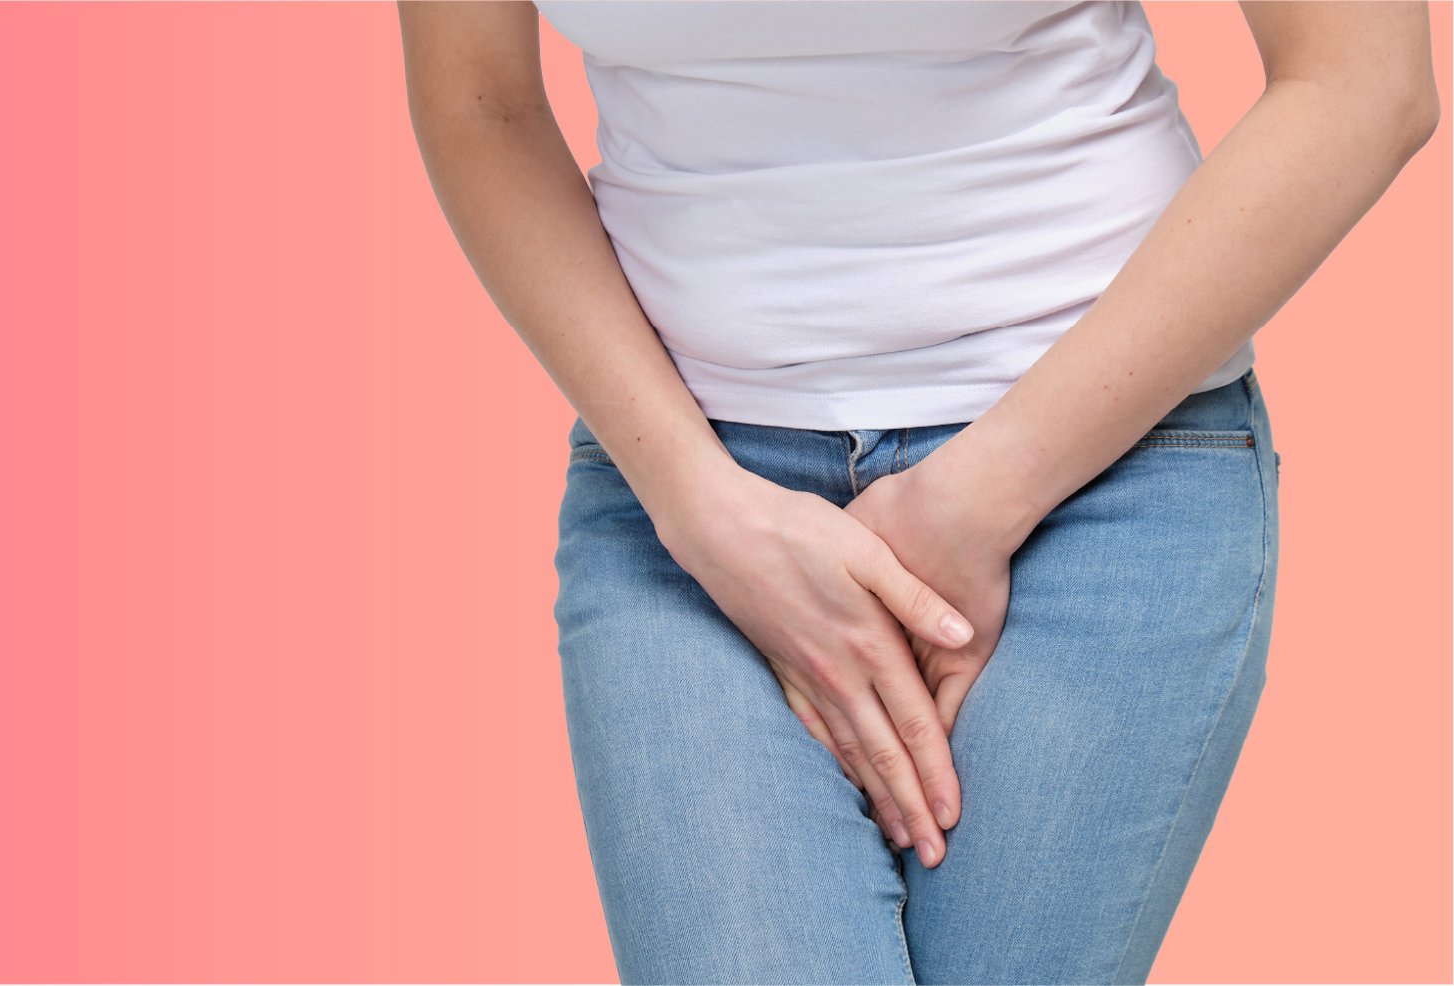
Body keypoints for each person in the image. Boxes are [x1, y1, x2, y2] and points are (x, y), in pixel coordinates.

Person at [399, 2, 1438, 982]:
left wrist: (986, 492)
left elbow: (1363, 79)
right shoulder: (695, 509)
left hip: (1099, 466)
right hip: (692, 500)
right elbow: (477, 101)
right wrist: (700, 503)